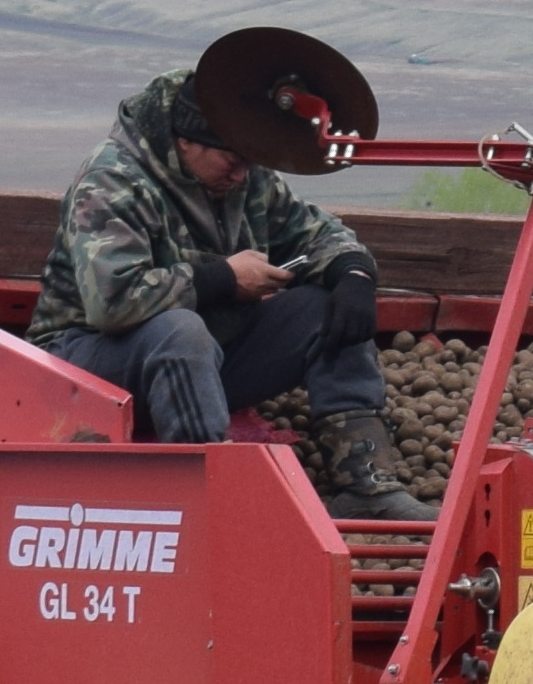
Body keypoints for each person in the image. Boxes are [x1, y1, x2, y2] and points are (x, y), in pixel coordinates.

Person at [31, 54, 406, 514]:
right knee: (180, 330)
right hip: (89, 371)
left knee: (325, 304)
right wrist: (223, 278)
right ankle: (212, 500)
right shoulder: (112, 181)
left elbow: (317, 232)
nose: (242, 174)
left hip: (205, 358)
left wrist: (353, 272)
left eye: (250, 162)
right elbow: (113, 303)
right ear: (187, 141)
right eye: (232, 159)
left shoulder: (244, 178)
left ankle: (365, 484)